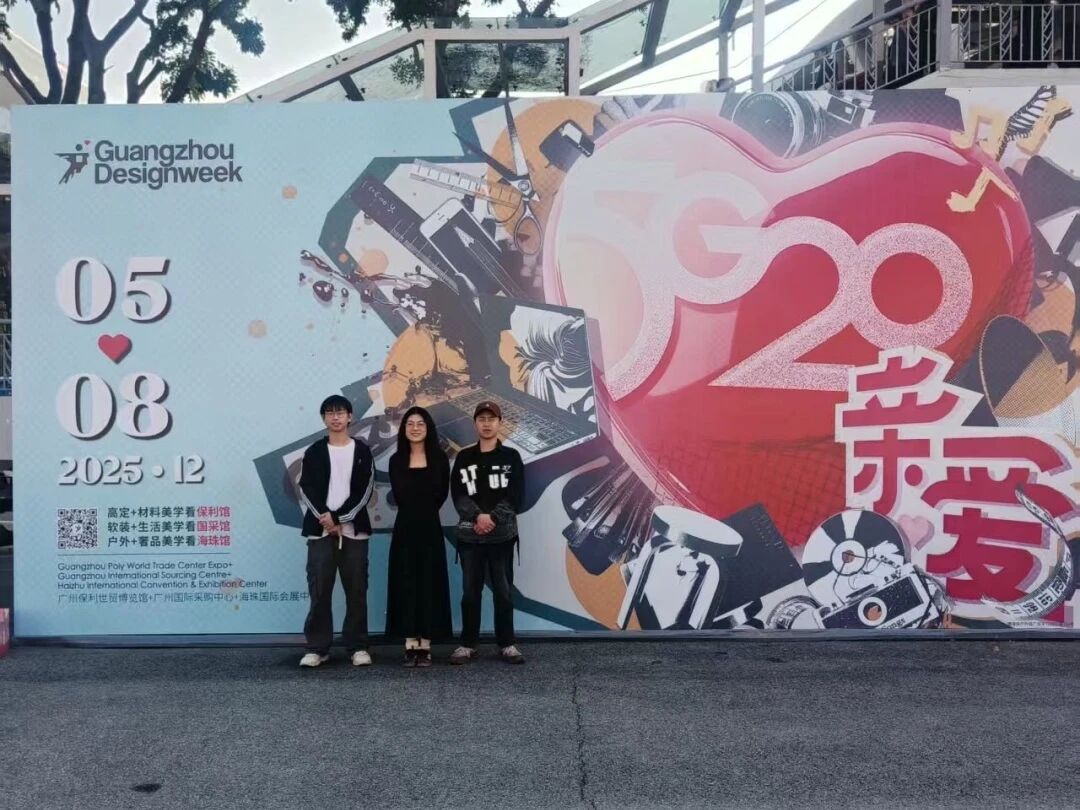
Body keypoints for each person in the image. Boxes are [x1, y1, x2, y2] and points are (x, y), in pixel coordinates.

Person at [296, 395, 375, 668]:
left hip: (354, 533)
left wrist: (340, 518)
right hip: (320, 532)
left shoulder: (362, 450)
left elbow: (365, 490)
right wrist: (326, 519)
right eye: (329, 413)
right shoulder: (315, 451)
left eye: (340, 412)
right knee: (319, 591)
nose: (336, 417)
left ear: (350, 416)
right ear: (324, 419)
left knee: (357, 591)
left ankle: (357, 647)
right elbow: (306, 487)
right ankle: (317, 648)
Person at [449, 401, 526, 665]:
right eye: (481, 419)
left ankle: (507, 644)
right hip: (470, 538)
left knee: (503, 592)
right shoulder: (464, 457)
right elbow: (458, 494)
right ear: (475, 424)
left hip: (502, 537)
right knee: (470, 593)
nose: (486, 423)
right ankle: (467, 644)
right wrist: (476, 517)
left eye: (491, 419)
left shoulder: (511, 457)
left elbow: (516, 495)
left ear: (499, 422)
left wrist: (492, 518)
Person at [386, 406, 453, 667]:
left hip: (430, 528)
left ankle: (426, 644)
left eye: (420, 424)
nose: (415, 428)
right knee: (406, 582)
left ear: (428, 428)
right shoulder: (396, 460)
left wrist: (424, 507)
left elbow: (441, 495)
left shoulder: (440, 459)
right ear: (404, 429)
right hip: (404, 528)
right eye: (410, 424)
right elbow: (400, 495)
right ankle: (410, 642)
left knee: (429, 583)